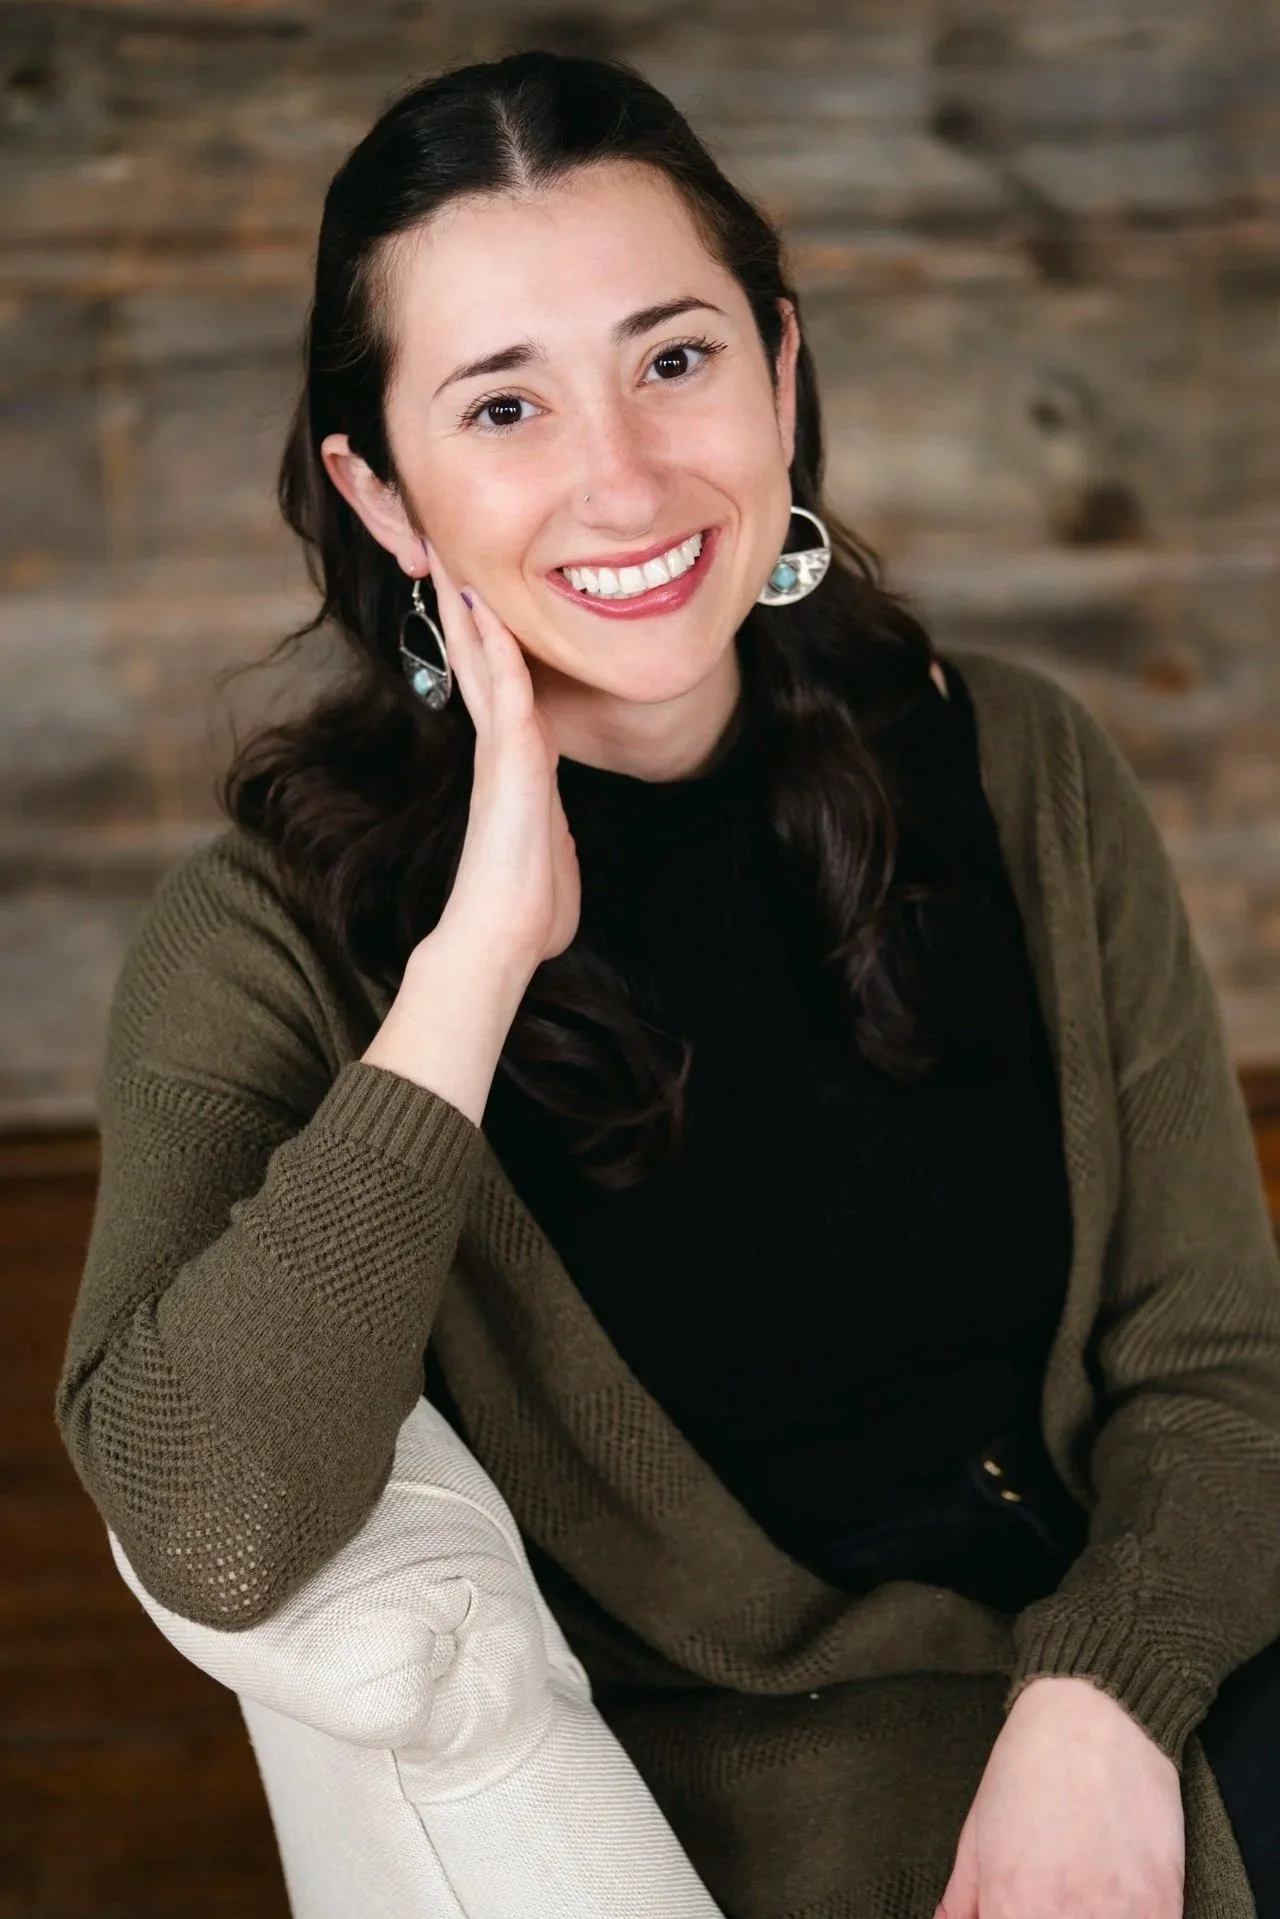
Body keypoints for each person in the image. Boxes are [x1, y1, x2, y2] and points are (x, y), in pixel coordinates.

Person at [56, 47, 1280, 1919]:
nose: (622, 476)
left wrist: (1101, 1695)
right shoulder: (265, 950)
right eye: (502, 406)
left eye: (675, 358)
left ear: (782, 370)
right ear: (381, 491)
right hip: (844, 1825)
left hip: (1185, 1678)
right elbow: (213, 1529)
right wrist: (470, 970)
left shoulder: (1022, 763)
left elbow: (1215, 1369)